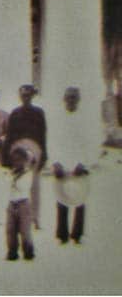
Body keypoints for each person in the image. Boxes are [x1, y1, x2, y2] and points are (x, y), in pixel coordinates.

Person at [51, 86, 94, 245]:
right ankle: (62, 234)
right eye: (68, 97)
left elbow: (89, 144)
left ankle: (77, 234)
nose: (70, 100)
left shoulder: (84, 120)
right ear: (64, 99)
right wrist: (55, 163)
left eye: (74, 98)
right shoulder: (58, 120)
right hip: (62, 164)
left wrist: (83, 163)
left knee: (79, 197)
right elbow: (52, 142)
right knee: (61, 198)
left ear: (78, 100)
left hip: (78, 165)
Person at [4, 84, 46, 228]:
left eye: (28, 95)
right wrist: (7, 158)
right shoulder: (15, 114)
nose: (25, 98)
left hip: (35, 151)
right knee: (17, 184)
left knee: (34, 185)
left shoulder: (39, 113)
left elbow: (42, 136)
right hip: (18, 152)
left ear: (32, 96)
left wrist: (43, 157)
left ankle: (35, 217)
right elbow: (10, 136)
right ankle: (16, 216)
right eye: (23, 95)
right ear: (20, 97)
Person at [6, 145, 35, 261]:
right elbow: (6, 186)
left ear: (24, 160)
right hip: (12, 203)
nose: (16, 163)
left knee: (25, 229)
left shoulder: (28, 173)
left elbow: (23, 187)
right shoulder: (10, 173)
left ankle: (28, 250)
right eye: (14, 160)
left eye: (19, 160)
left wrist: (15, 179)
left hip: (24, 203)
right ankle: (12, 250)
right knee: (10, 229)